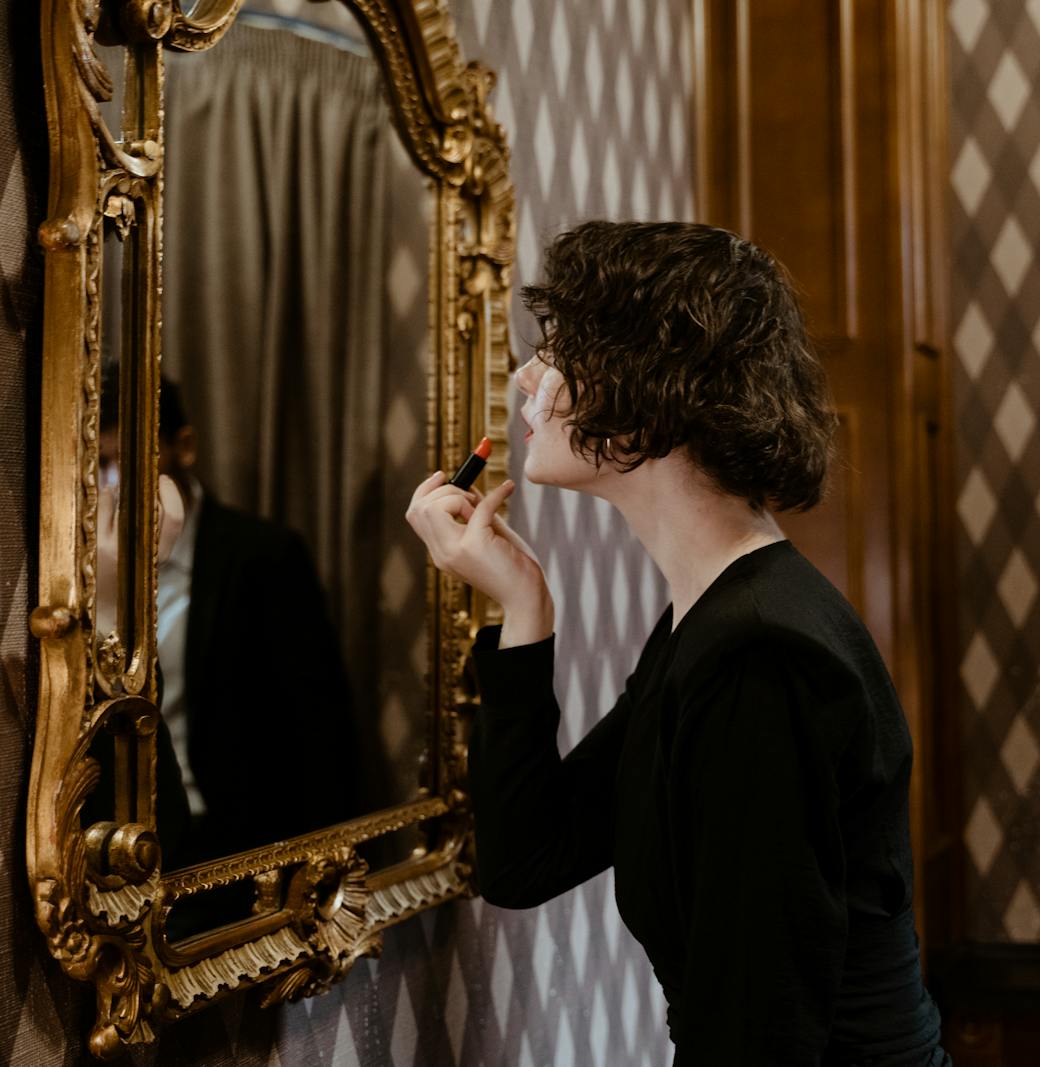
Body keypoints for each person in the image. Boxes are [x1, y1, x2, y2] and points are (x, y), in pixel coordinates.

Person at [405, 221, 948, 1065]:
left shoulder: (761, 653)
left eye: (558, 348)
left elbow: (759, 1036)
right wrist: (524, 604)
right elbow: (524, 858)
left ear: (646, 390)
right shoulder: (709, 620)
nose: (525, 376)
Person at [97, 371, 361, 867]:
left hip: (234, 842)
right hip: (117, 845)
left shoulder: (262, 556)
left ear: (184, 446)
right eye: (101, 465)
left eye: (130, 459)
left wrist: (325, 864)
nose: (114, 485)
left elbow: (319, 729)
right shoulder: (77, 569)